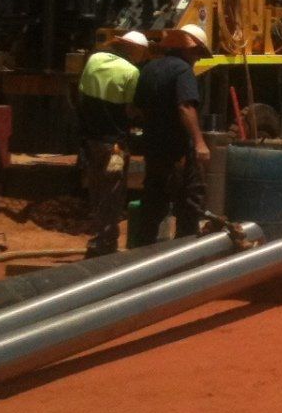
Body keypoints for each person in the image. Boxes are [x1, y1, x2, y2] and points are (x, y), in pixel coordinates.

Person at [128, 23, 213, 247]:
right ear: (189, 50)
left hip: (153, 147)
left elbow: (137, 108)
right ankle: (184, 254)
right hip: (178, 151)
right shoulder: (183, 71)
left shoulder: (149, 69)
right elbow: (185, 106)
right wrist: (199, 142)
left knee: (154, 201)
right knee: (190, 202)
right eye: (196, 54)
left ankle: (141, 252)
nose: (197, 59)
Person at [77, 31, 150, 256]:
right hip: (115, 146)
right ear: (135, 50)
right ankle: (106, 242)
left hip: (90, 141)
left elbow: (81, 93)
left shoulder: (94, 59)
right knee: (113, 191)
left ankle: (98, 238)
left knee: (97, 188)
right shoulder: (131, 72)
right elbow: (130, 109)